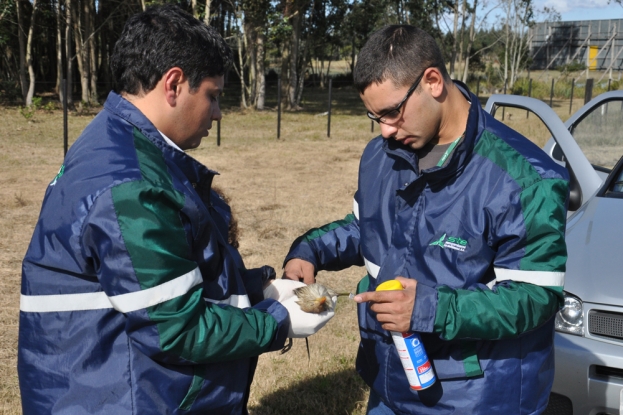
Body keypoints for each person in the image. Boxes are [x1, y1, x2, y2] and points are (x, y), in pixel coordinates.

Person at [18, 5, 331, 414]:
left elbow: (161, 275)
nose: (217, 114)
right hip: (119, 398)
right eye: (213, 96)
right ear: (174, 84)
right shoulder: (132, 187)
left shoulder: (116, 144)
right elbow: (177, 329)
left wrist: (257, 289)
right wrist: (277, 321)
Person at [284, 25, 569, 414]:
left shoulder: (524, 178)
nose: (385, 129)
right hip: (390, 382)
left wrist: (431, 309)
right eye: (374, 116)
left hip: (478, 398)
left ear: (432, 81)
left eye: (392, 112)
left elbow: (536, 297)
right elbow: (365, 227)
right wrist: (311, 250)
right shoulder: (381, 155)